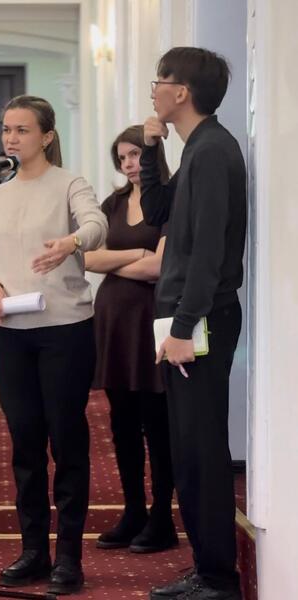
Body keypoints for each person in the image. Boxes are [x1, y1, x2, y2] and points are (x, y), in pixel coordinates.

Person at [0, 95, 108, 595]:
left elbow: (96, 226)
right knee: (25, 443)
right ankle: (33, 550)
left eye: (22, 130)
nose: (11, 138)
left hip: (64, 330)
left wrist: (71, 243)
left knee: (65, 440)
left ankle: (69, 555)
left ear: (46, 136)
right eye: (7, 129)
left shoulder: (69, 183)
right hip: (11, 333)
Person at [140, 47, 246, 600]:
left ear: (180, 91)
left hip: (199, 320)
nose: (152, 90)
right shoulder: (197, 146)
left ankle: (219, 578)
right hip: (187, 318)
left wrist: (183, 327)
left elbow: (207, 251)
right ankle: (206, 567)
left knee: (202, 450)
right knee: (187, 449)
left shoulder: (212, 150)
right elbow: (157, 210)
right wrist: (151, 147)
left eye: (158, 81)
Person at [85, 125, 177, 554]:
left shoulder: (167, 201)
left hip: (151, 321)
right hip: (115, 323)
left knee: (156, 423)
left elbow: (159, 268)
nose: (128, 164)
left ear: (152, 154)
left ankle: (162, 518)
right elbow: (88, 257)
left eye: (135, 155)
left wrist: (116, 263)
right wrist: (135, 255)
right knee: (121, 423)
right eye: (121, 158)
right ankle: (133, 511)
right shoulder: (113, 203)